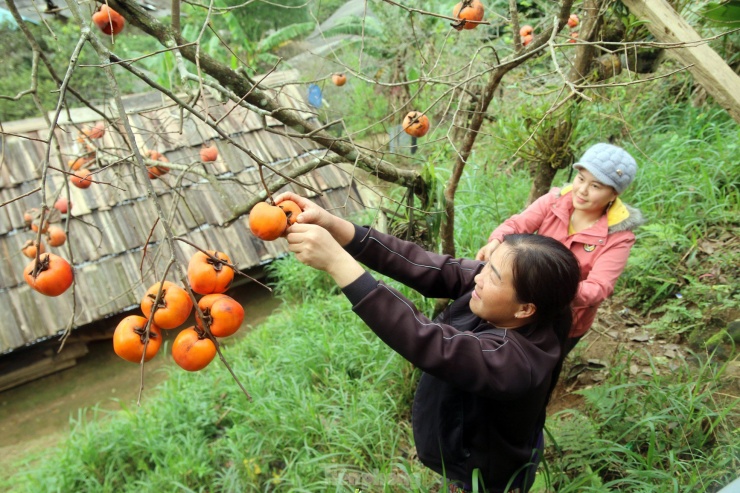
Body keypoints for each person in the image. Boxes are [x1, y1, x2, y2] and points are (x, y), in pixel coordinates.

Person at [276, 191, 582, 493]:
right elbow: (422, 264)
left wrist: (337, 263)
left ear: (525, 308)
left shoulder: (516, 363)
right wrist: (335, 226)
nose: (478, 276)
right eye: (487, 264)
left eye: (493, 276)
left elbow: (430, 342)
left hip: (482, 474)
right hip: (468, 445)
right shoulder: (509, 297)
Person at [476, 143, 645, 355]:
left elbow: (599, 287)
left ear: (613, 195)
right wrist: (497, 240)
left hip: (568, 318)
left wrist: (549, 291)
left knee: (541, 367)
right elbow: (517, 224)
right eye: (581, 179)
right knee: (501, 354)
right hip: (524, 305)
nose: (582, 190)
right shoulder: (554, 201)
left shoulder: (618, 237)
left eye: (596, 186)